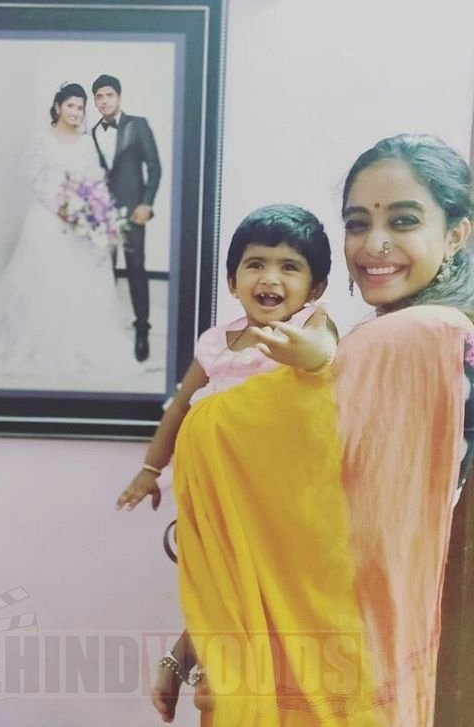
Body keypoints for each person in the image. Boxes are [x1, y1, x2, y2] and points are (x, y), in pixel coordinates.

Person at [167, 134, 474, 726]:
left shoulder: (421, 336)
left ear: (457, 233)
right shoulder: (380, 338)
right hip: (338, 641)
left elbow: (225, 440)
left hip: (347, 657)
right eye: (357, 223)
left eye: (403, 221)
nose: (374, 244)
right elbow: (299, 503)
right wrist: (197, 635)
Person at [116, 204, 336, 514]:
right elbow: (180, 407)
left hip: (279, 492)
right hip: (215, 488)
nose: (269, 278)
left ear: (315, 288)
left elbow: (323, 349)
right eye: (256, 264)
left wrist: (309, 354)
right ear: (233, 283)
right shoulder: (215, 343)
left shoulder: (308, 326)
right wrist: (151, 468)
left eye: (289, 267)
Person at [0, 83, 140, 391]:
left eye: (80, 107)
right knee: (46, 279)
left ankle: (79, 343)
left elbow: (95, 179)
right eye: (70, 105)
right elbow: (34, 178)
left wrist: (97, 211)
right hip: (46, 220)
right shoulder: (42, 141)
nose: (76, 112)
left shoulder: (86, 143)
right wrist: (62, 207)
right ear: (58, 107)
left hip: (80, 224)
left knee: (80, 281)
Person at [91, 74, 162, 362]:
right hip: (101, 215)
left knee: (136, 269)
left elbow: (155, 167)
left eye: (109, 95)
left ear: (119, 97)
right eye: (99, 96)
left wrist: (146, 204)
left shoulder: (138, 125)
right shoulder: (91, 133)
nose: (104, 101)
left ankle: (142, 329)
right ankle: (105, 329)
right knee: (102, 272)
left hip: (133, 213)